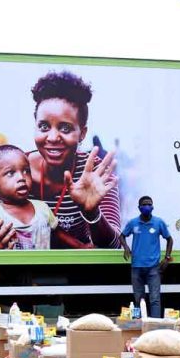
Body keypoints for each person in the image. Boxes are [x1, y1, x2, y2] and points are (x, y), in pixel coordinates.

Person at [26, 71, 123, 249]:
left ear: (82, 133)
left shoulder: (96, 173)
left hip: (82, 273)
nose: (53, 137)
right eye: (44, 126)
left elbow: (115, 247)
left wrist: (92, 213)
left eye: (65, 128)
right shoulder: (19, 169)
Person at [0, 146, 71, 250]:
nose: (22, 178)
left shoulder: (42, 208)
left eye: (26, 171)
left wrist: (82, 246)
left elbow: (59, 234)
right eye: (10, 173)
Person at [122, 196, 173, 317]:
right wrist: (126, 247)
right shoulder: (133, 223)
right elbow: (122, 236)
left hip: (153, 267)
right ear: (139, 207)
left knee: (155, 299)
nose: (147, 207)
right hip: (136, 266)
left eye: (149, 204)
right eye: (144, 205)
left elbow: (169, 239)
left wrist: (167, 257)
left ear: (153, 207)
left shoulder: (159, 222)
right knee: (138, 298)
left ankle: (154, 325)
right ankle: (138, 325)